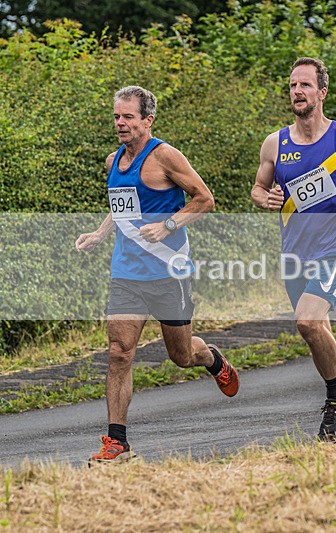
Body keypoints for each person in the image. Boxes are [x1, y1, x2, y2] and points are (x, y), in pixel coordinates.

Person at [75, 86, 239, 464]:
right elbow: (123, 208)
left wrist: (168, 224)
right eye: (117, 116)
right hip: (127, 274)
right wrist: (100, 233)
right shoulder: (113, 161)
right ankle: (118, 443)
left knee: (181, 356)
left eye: (128, 117)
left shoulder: (165, 156)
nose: (120, 123)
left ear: (147, 120)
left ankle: (212, 359)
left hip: (169, 272)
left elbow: (205, 199)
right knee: (119, 353)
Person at [251, 57, 336, 441]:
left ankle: (335, 402)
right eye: (293, 85)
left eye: (305, 85)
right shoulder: (275, 143)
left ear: (322, 92)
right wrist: (266, 199)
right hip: (294, 254)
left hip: (335, 249)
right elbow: (257, 188)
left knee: (308, 321)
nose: (297, 91)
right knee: (317, 332)